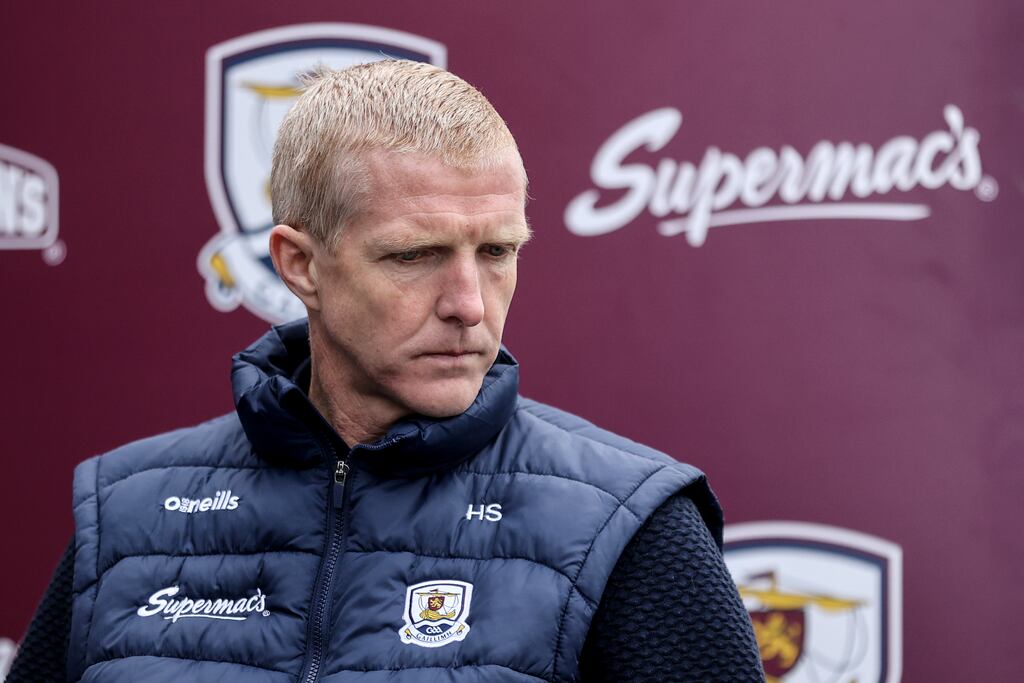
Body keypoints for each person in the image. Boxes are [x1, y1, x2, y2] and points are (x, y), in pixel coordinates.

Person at [8, 60, 764, 682]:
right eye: (415, 255)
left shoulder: (632, 527)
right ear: (300, 265)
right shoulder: (127, 518)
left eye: (497, 252)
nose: (469, 304)